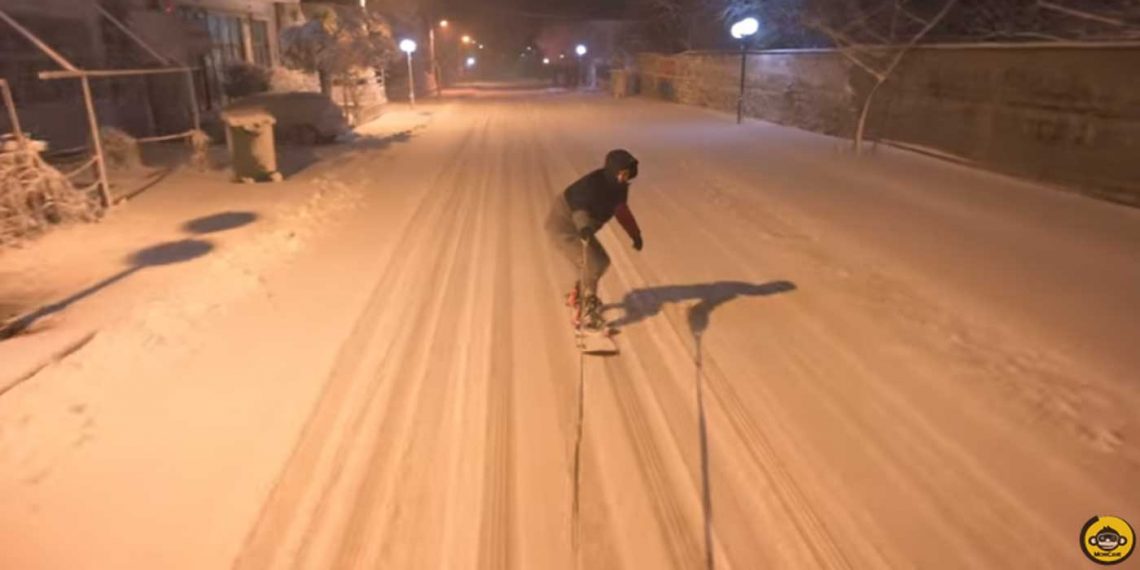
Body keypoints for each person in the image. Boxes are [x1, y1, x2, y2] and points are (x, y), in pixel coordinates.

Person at [545, 149, 643, 331]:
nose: (624, 178)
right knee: (593, 263)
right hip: (563, 226)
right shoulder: (594, 184)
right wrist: (584, 227)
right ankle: (586, 312)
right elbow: (579, 207)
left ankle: (577, 295)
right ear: (613, 171)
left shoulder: (618, 189)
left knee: (602, 261)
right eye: (621, 174)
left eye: (627, 174)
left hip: (581, 228)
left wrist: (635, 233)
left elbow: (621, 211)